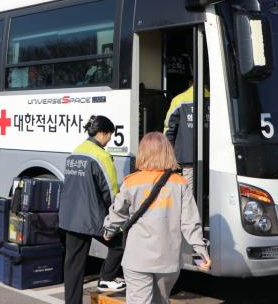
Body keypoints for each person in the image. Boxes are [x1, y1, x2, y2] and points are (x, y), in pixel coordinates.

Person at [103, 132, 210, 304]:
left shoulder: (131, 182)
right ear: (168, 152)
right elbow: (190, 221)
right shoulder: (179, 183)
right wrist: (201, 251)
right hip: (167, 260)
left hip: (137, 258)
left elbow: (118, 212)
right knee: (161, 300)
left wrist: (109, 229)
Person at [59, 115, 126, 304]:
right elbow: (111, 192)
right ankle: (106, 278)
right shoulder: (101, 156)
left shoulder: (76, 152)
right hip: (91, 218)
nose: (110, 139)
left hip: (71, 217)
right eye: (110, 135)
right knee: (121, 243)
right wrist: (117, 218)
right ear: (103, 133)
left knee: (73, 265)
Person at [163, 81, 209, 193]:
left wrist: (169, 153)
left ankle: (190, 209)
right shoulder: (217, 99)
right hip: (211, 156)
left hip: (187, 155)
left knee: (188, 191)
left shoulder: (179, 100)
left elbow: (169, 128)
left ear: (190, 84)